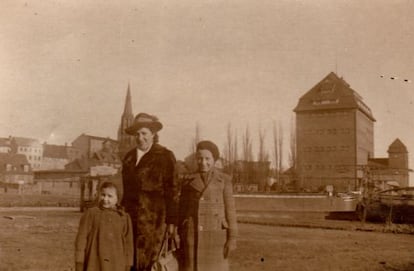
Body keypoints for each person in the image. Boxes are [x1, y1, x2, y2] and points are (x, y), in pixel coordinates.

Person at [121, 112, 179, 271]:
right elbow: (124, 190)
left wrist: (172, 222)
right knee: (130, 262)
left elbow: (173, 190)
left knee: (152, 264)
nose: (140, 138)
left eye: (144, 133)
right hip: (130, 221)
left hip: (156, 223)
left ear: (153, 134)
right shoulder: (129, 158)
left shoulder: (165, 156)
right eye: (137, 134)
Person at [178, 140, 238, 271]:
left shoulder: (224, 180)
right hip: (192, 235)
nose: (203, 162)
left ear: (214, 159)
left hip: (216, 236)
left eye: (207, 158)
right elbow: (181, 211)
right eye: (199, 158)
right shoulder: (188, 181)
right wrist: (179, 233)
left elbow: (231, 212)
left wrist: (232, 238)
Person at [75, 182, 134, 271]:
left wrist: (128, 264)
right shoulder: (91, 214)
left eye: (110, 196)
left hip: (116, 263)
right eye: (103, 195)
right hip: (94, 262)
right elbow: (81, 239)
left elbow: (128, 244)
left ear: (117, 198)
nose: (105, 199)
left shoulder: (124, 217)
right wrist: (79, 262)